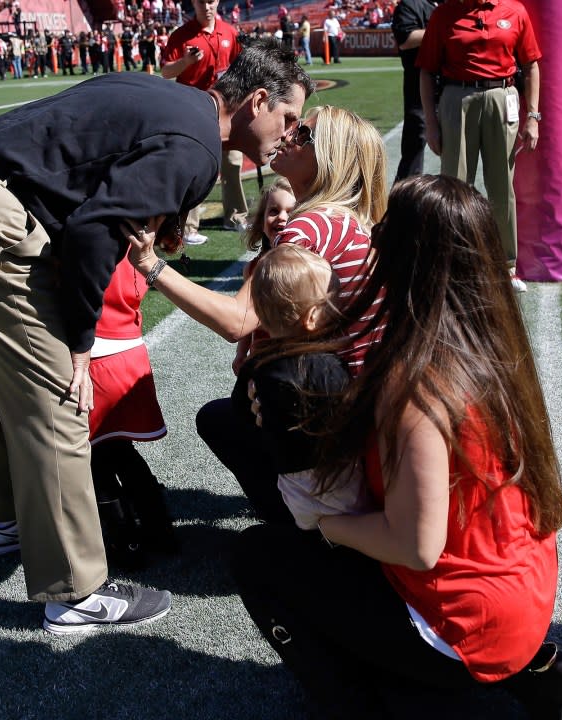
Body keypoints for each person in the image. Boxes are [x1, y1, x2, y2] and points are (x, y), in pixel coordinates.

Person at [0, 38, 312, 634]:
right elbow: (94, 228)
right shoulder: (199, 146)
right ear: (257, 100)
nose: (288, 133)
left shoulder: (166, 96)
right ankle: (73, 592)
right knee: (59, 397)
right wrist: (78, 341)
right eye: (287, 118)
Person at [231, 174, 562, 718]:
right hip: (522, 594)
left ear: (407, 258)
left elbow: (417, 546)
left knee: (258, 554)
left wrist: (321, 526)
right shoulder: (491, 346)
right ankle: (526, 675)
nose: (372, 233)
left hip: (465, 625)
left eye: (386, 225)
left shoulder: (418, 384)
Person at [127, 105, 388, 524]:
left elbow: (237, 320)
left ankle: (296, 526)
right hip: (361, 403)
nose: (288, 135)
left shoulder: (311, 226)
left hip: (326, 415)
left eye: (303, 134)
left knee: (224, 416)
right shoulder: (352, 221)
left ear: (331, 158)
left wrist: (151, 266)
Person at [230, 244, 372, 531]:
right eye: (333, 299)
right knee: (348, 528)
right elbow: (354, 419)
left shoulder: (256, 364)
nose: (340, 305)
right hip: (336, 483)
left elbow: (241, 411)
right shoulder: (323, 367)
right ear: (312, 318)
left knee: (311, 527)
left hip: (292, 487)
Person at [417, 0, 541, 293]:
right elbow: (426, 71)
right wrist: (431, 124)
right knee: (454, 187)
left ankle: (506, 265)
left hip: (502, 95)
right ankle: (452, 264)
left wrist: (533, 115)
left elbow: (531, 64)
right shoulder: (445, 13)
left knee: (502, 186)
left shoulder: (515, 11)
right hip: (456, 99)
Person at [89, 248, 177, 568]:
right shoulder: (127, 217)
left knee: (94, 455)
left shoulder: (86, 226)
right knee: (121, 451)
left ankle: (124, 542)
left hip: (95, 354)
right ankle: (159, 528)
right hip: (129, 348)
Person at [162, 0, 249, 242]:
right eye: (201, 1)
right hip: (192, 108)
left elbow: (240, 68)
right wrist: (186, 62)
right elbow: (166, 72)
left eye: (210, 1)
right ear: (194, 3)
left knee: (232, 163)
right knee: (195, 166)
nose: (207, 6)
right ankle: (188, 227)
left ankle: (236, 217)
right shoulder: (181, 35)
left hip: (225, 108)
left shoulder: (229, 32)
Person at [232, 177, 297, 374]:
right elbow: (245, 317)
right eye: (274, 211)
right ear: (261, 221)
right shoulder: (252, 269)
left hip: (292, 362)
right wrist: (241, 354)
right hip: (259, 362)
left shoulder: (304, 267)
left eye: (291, 212)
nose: (282, 217)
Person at [391, 0, 439, 180]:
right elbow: (405, 39)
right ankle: (404, 199)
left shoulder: (449, 4)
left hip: (451, 84)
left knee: (457, 149)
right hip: (418, 85)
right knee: (415, 144)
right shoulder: (410, 5)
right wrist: (443, 29)